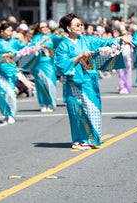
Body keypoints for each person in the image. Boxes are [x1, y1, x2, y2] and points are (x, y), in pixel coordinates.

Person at [54, 13, 132, 150]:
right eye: (77, 25)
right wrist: (79, 56)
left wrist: (120, 38)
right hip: (74, 83)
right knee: (76, 111)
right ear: (68, 28)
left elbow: (103, 42)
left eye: (81, 25)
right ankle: (79, 140)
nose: (80, 27)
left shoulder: (87, 40)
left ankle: (91, 139)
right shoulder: (63, 46)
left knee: (93, 109)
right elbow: (61, 64)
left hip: (90, 81)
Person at [0, 23, 29, 124]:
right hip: (1, 72)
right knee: (2, 94)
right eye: (8, 31)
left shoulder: (15, 42)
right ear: (2, 31)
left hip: (11, 71)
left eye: (11, 31)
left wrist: (35, 46)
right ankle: (6, 114)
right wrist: (5, 54)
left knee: (10, 94)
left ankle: (11, 114)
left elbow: (25, 47)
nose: (10, 33)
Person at [31, 21, 62, 113]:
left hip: (50, 64)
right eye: (42, 27)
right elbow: (32, 47)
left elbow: (61, 42)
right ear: (39, 29)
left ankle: (51, 103)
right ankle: (44, 104)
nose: (44, 28)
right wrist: (38, 46)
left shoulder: (52, 37)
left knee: (50, 83)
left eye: (45, 27)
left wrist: (61, 33)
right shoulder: (36, 38)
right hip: (39, 64)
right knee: (41, 84)